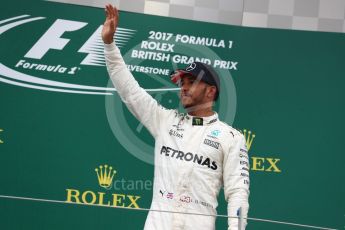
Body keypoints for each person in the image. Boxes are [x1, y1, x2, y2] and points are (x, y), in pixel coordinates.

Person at [102, 4, 250, 230]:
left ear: (211, 91)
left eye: (192, 82)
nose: (184, 88)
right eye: (182, 83)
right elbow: (129, 90)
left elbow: (238, 192)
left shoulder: (231, 137)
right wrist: (110, 45)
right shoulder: (165, 120)